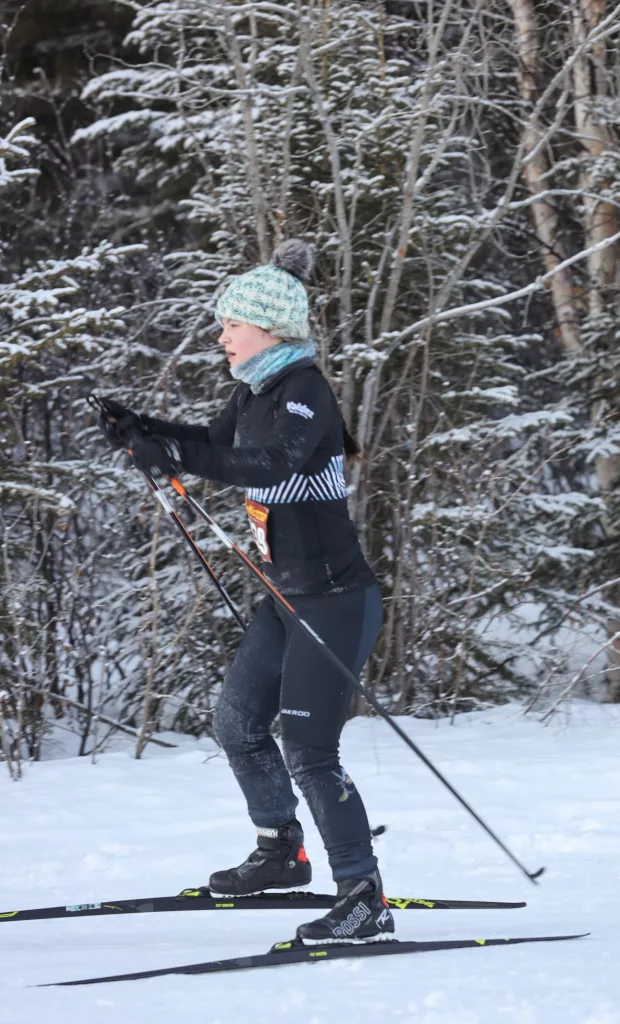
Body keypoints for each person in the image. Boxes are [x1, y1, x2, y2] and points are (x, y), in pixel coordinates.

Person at [96, 239, 394, 945]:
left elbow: (271, 463)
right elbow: (214, 443)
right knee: (235, 723)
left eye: (231, 323)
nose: (221, 335)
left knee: (310, 750)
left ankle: (363, 895)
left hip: (335, 598)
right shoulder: (252, 391)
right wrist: (142, 429)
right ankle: (280, 853)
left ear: (268, 328)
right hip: (284, 598)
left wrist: (172, 454)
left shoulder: (305, 389)